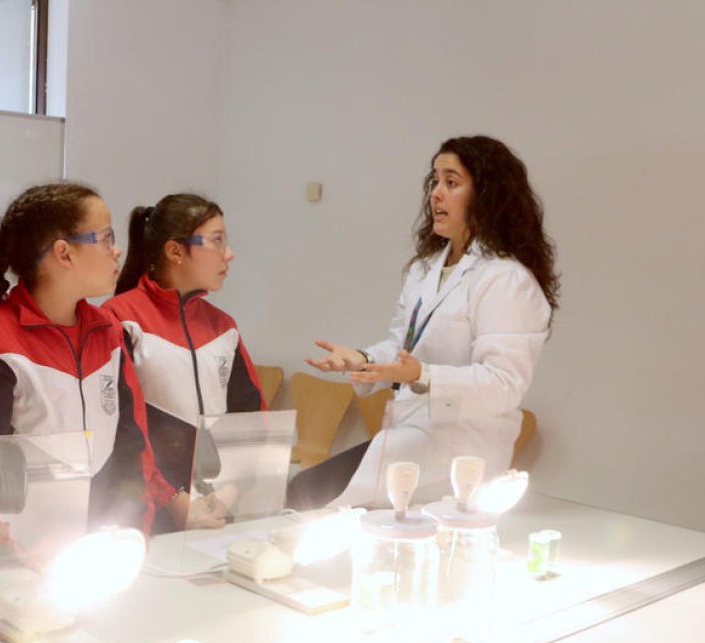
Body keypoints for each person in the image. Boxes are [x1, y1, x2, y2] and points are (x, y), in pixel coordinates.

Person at [290, 135, 559, 509]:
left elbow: (504, 384)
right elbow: (404, 344)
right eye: (435, 181)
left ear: (487, 195)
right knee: (308, 494)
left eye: (452, 182)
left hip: (462, 449)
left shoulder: (505, 279)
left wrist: (423, 375)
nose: (436, 194)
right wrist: (362, 359)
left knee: (309, 493)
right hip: (416, 436)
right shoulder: (425, 269)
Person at [0, 182, 175, 535]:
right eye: (107, 239)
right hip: (22, 555)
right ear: (65, 254)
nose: (118, 251)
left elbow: (133, 443)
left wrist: (133, 526)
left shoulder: (108, 331)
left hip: (103, 545)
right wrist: (15, 544)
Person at [104, 194, 264, 531]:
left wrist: (228, 492)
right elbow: (118, 430)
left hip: (217, 508)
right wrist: (172, 500)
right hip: (144, 512)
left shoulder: (224, 327)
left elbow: (252, 420)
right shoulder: (120, 318)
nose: (229, 254)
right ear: (176, 251)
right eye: (217, 241)